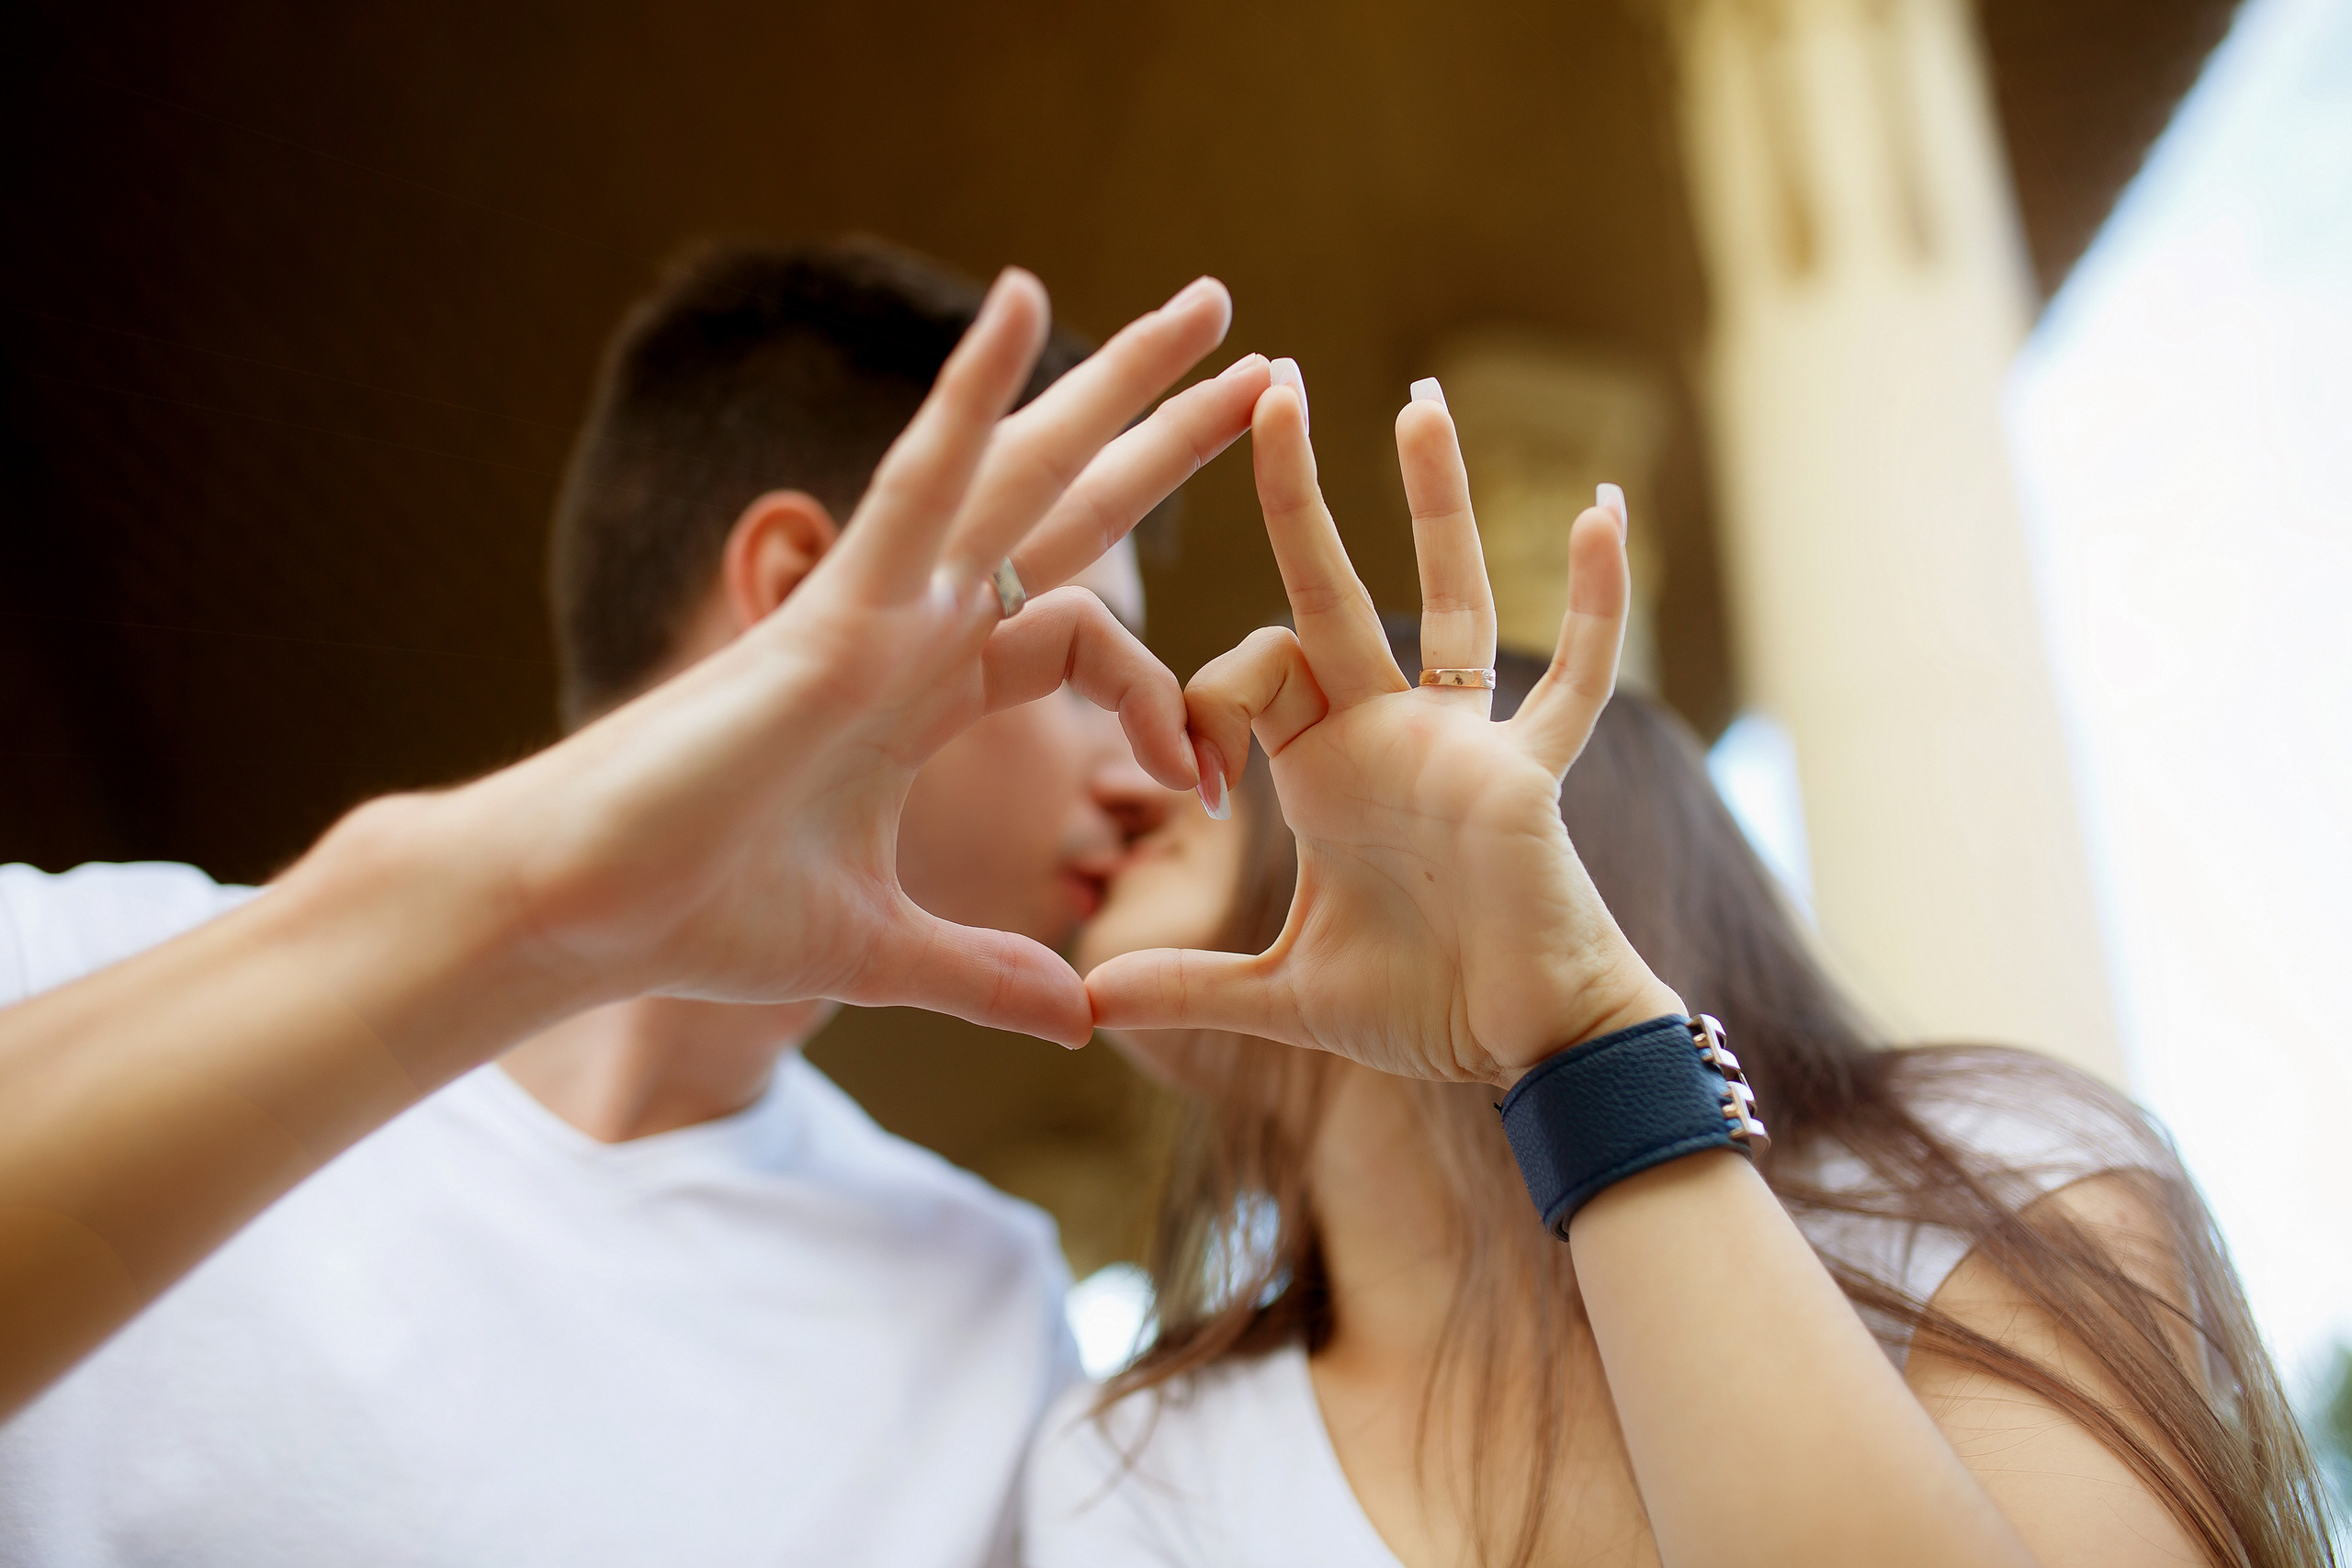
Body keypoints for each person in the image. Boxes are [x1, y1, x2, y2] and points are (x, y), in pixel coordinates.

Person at [0, 243, 1272, 1565]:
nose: (1140, 769)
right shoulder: (57, 957)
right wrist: (523, 920)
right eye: (1066, 660)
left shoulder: (990, 1321)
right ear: (793, 593)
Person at [1023, 369, 2336, 1566]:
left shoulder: (1981, 1170)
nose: (1146, 764)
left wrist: (1590, 1054)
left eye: (1330, 761)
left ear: (1581, 841)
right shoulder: (1131, 1461)